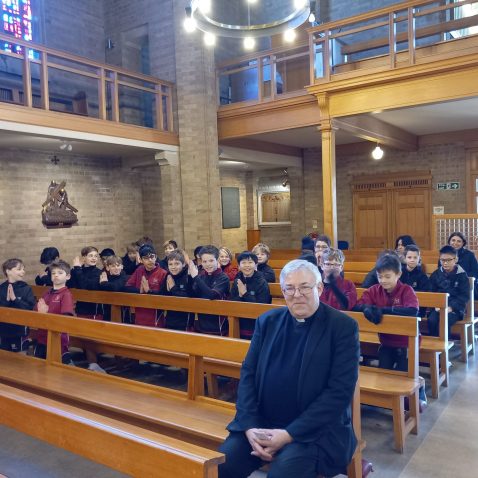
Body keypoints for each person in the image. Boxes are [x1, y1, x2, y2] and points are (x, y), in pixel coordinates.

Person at [218, 260, 359, 478]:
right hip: (262, 423)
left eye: (304, 287)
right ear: (282, 291)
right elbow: (248, 375)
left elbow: (339, 392)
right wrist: (249, 426)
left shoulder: (342, 327)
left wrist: (289, 434)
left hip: (315, 432)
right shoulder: (268, 322)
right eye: (289, 288)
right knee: (220, 466)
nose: (297, 294)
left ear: (319, 288)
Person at [355, 254, 419, 372]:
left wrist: (383, 310)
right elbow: (358, 306)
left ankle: (419, 390)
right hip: (386, 341)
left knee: (404, 374)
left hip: (406, 343)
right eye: (380, 277)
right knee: (384, 371)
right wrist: (366, 309)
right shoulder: (374, 290)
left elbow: (413, 311)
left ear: (398, 274)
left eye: (387, 276)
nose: (383, 280)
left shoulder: (406, 290)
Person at [34, 260, 74, 364]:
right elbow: (36, 310)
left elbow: (66, 318)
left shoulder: (66, 294)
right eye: (53, 273)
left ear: (68, 276)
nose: (56, 275)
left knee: (60, 369)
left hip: (58, 339)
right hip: (42, 337)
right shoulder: (47, 293)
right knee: (39, 367)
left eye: (60, 273)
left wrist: (46, 313)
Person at [428, 245, 469, 337]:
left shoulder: (462, 275)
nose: (445, 263)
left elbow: (464, 296)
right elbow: (431, 292)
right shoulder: (436, 274)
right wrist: (435, 306)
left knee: (445, 321)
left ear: (456, 259)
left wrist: (452, 307)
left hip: (455, 309)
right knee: (432, 320)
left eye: (449, 260)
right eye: (442, 260)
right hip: (438, 307)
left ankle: (444, 346)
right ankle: (434, 345)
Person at [230, 251, 271, 339]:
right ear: (239, 266)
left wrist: (245, 293)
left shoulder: (261, 282)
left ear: (256, 265)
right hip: (238, 323)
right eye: (243, 263)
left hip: (256, 325)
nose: (247, 265)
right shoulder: (237, 281)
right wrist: (240, 296)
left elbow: (261, 307)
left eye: (250, 262)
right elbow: (231, 304)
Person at [190, 245, 230, 335]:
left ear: (217, 260)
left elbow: (211, 295)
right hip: (201, 323)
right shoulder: (201, 276)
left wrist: (195, 277)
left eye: (211, 260)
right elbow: (193, 294)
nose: (208, 264)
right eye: (204, 261)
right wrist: (190, 277)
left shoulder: (223, 278)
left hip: (218, 326)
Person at [124, 244, 167, 327]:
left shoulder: (163, 273)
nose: (150, 260)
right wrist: (140, 291)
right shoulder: (139, 270)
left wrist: (149, 291)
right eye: (146, 258)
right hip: (140, 315)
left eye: (152, 257)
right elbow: (127, 287)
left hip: (155, 318)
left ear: (156, 257)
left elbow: (164, 294)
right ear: (141, 260)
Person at [0, 258, 35, 352]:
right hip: (3, 331)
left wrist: (15, 300)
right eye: (19, 269)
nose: (23, 272)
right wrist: (7, 301)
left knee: (20, 360)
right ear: (8, 271)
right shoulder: (1, 288)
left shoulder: (26, 288)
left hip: (19, 331)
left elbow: (30, 308)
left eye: (23, 269)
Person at [160, 249, 195, 331]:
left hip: (185, 320)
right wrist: (149, 291)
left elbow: (188, 299)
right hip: (170, 317)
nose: (173, 267)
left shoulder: (188, 276)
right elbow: (162, 295)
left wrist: (173, 288)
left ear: (183, 264)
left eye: (177, 264)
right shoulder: (168, 276)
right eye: (170, 264)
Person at [99, 255, 128, 322]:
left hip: (122, 309)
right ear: (107, 268)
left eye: (118, 265)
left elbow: (115, 287)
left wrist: (104, 284)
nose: (116, 268)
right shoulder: (105, 277)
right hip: (107, 307)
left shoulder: (124, 277)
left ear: (122, 267)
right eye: (113, 266)